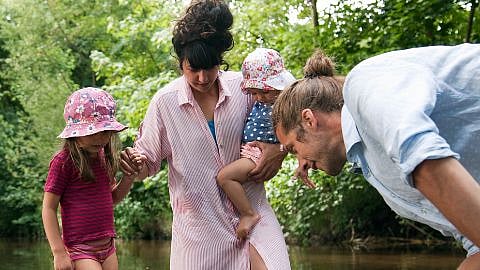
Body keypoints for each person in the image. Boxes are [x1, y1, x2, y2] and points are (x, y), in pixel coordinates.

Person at [272, 44, 480, 269]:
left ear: (309, 120)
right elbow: (473, 240)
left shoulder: (363, 84)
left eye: (293, 149)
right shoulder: (385, 184)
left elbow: (424, 159)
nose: (301, 164)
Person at [120, 1, 290, 269]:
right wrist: (134, 164)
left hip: (254, 214)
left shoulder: (245, 89)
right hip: (199, 232)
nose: (201, 78)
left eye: (209, 68)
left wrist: (280, 152)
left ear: (219, 62)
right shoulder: (165, 102)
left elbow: (284, 124)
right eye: (192, 69)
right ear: (180, 64)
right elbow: (146, 163)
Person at [42, 87, 146, 270]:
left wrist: (129, 177)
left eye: (106, 132)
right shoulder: (63, 162)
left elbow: (112, 198)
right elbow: (49, 208)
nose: (101, 138)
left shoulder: (103, 158)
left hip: (108, 247)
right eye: (93, 132)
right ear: (75, 133)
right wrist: (58, 252)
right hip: (80, 248)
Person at [216, 48, 314, 240]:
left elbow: (299, 133)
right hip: (251, 152)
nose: (259, 97)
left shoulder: (286, 105)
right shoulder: (266, 100)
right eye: (254, 93)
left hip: (258, 156)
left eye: (264, 92)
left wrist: (301, 159)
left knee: (225, 177)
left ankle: (248, 214)